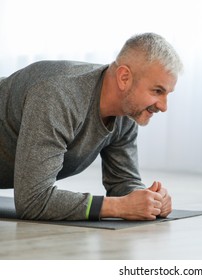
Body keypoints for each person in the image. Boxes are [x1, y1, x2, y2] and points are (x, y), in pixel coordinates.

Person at [0, 32, 183, 221]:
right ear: (124, 78)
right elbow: (33, 202)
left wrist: (150, 200)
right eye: (157, 91)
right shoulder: (58, 96)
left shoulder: (127, 112)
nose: (163, 106)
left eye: (167, 93)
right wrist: (118, 207)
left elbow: (123, 182)